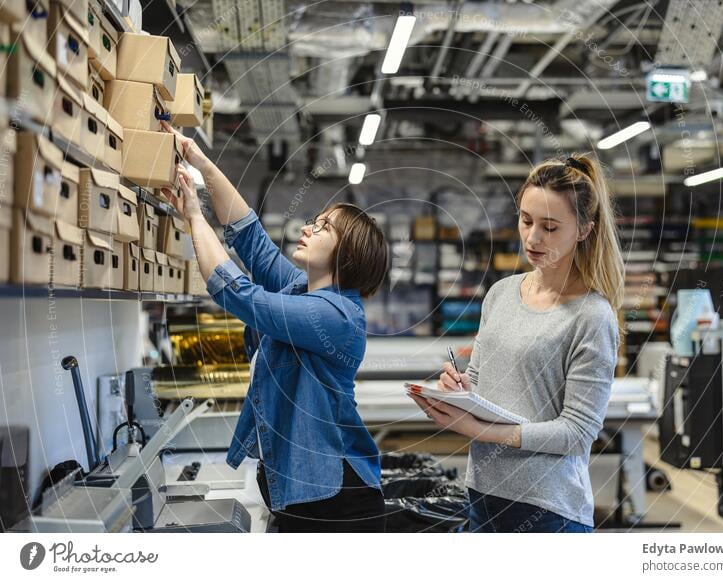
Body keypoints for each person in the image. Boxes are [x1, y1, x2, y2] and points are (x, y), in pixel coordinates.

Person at [159, 122, 390, 532]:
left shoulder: (336, 316)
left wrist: (194, 215)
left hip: (335, 498)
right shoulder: (301, 290)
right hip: (300, 489)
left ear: (346, 254)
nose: (306, 228)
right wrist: (198, 161)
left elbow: (239, 294)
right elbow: (251, 240)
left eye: (322, 228)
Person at [409, 154, 624, 533]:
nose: (532, 237)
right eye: (526, 220)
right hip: (482, 495)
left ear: (584, 229)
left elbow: (577, 433)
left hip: (548, 513)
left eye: (550, 227)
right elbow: (480, 378)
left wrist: (478, 431)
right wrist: (460, 389)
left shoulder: (591, 316)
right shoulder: (501, 293)